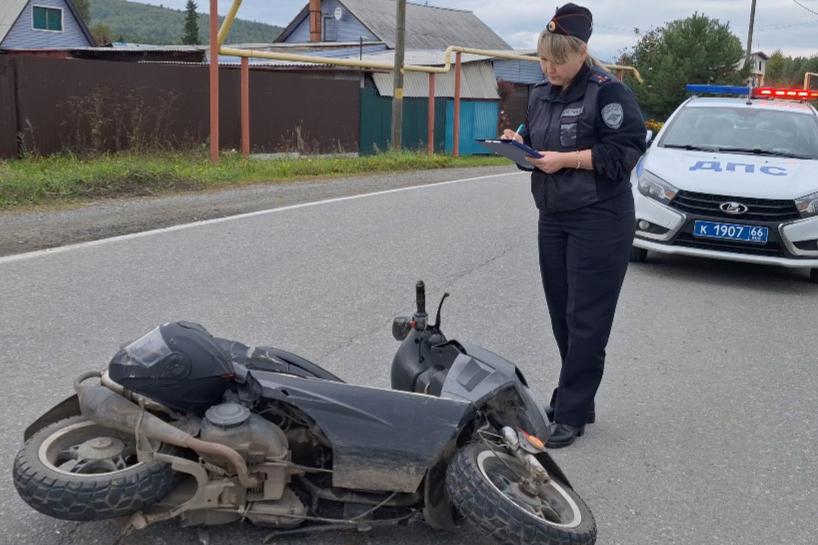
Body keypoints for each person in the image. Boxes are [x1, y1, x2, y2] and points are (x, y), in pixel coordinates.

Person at [502, 3, 646, 448]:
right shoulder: (542, 92)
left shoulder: (608, 92)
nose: (550, 68)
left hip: (600, 218)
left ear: (582, 51)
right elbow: (536, 141)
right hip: (555, 216)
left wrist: (565, 161)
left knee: (587, 319)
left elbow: (624, 153)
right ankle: (578, 398)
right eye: (544, 59)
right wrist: (518, 146)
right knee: (562, 313)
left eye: (558, 60)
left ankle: (571, 413)